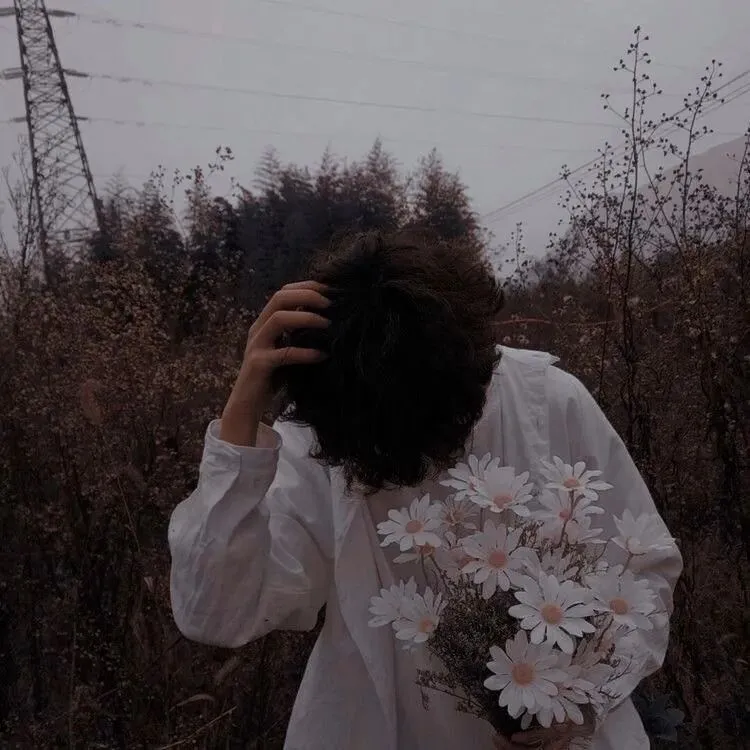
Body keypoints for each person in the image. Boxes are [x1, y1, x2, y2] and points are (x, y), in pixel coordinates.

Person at [168, 231, 682, 750]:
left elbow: (645, 572)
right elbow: (216, 611)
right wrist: (241, 416)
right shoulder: (322, 439)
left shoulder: (545, 403)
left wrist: (585, 696)